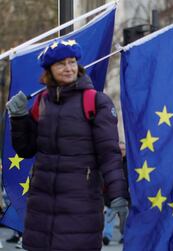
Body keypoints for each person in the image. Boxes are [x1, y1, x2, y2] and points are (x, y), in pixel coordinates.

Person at [6, 39, 128, 251]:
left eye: (72, 62)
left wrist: (118, 193)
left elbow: (109, 154)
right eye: (61, 64)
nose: (68, 68)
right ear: (49, 70)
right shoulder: (42, 101)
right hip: (41, 208)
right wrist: (18, 118)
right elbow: (25, 149)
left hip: (80, 205)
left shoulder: (96, 101)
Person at [102, 141, 130, 246]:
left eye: (123, 149)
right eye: (120, 149)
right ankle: (107, 236)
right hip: (111, 196)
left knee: (124, 218)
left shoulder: (130, 164)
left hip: (126, 197)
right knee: (109, 216)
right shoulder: (113, 162)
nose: (122, 151)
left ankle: (124, 236)